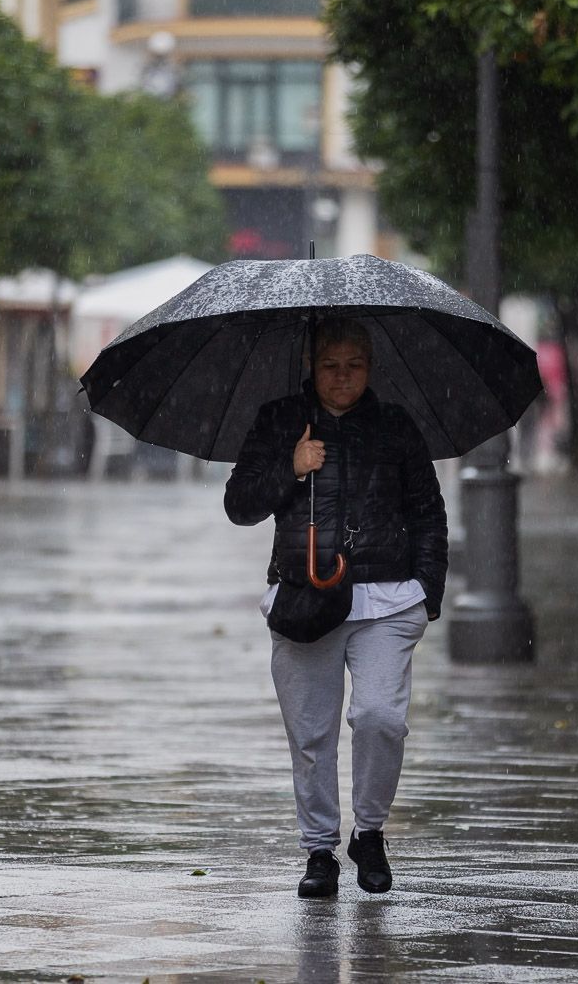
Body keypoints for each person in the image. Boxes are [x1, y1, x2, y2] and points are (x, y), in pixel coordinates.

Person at [224, 316, 448, 898]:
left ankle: (369, 832)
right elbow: (240, 504)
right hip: (305, 598)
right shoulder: (280, 420)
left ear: (370, 368)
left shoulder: (395, 426)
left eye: (354, 366)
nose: (342, 378)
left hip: (388, 599)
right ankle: (319, 849)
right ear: (311, 367)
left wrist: (427, 594)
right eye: (330, 366)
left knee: (380, 718)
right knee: (310, 733)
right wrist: (291, 467)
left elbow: (427, 511)